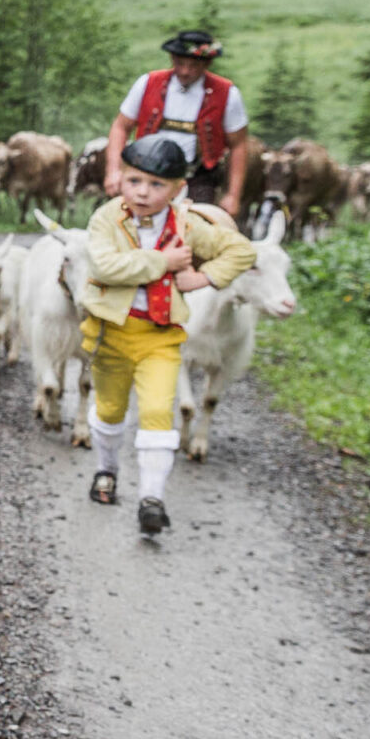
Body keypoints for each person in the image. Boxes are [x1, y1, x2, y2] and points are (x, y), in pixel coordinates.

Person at [80, 138, 255, 537]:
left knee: (159, 411)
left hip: (160, 336)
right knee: (109, 410)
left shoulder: (188, 225)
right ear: (120, 179)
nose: (143, 192)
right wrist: (165, 262)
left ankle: (152, 499)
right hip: (112, 333)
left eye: (157, 185)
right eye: (134, 180)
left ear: (178, 189)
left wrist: (202, 277)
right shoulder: (106, 219)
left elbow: (241, 252)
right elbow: (105, 266)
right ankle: (106, 470)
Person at [104, 28, 250, 212]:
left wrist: (233, 195)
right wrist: (114, 171)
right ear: (172, 59)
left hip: (198, 177)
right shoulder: (148, 83)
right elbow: (120, 127)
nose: (185, 71)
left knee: (196, 228)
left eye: (193, 66)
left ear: (207, 63)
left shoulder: (227, 93)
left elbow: (239, 145)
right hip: (144, 172)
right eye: (180, 63)